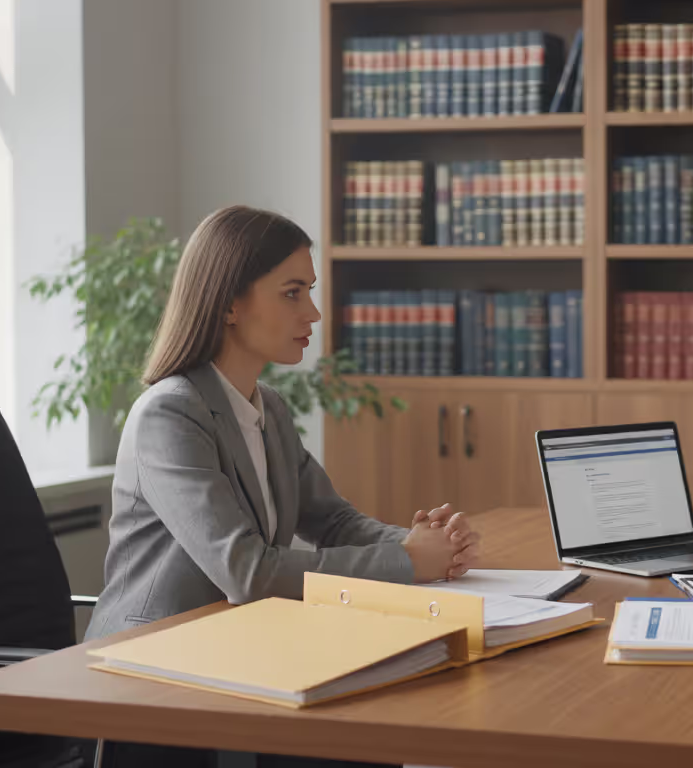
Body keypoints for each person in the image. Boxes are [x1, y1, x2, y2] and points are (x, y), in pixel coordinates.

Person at [87, 205, 476, 766]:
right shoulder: (169, 416)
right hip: (150, 679)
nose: (314, 312)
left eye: (310, 291)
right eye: (293, 293)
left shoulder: (266, 406)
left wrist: (423, 543)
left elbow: (334, 520)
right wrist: (410, 563)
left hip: (237, 655)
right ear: (228, 304)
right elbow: (247, 571)